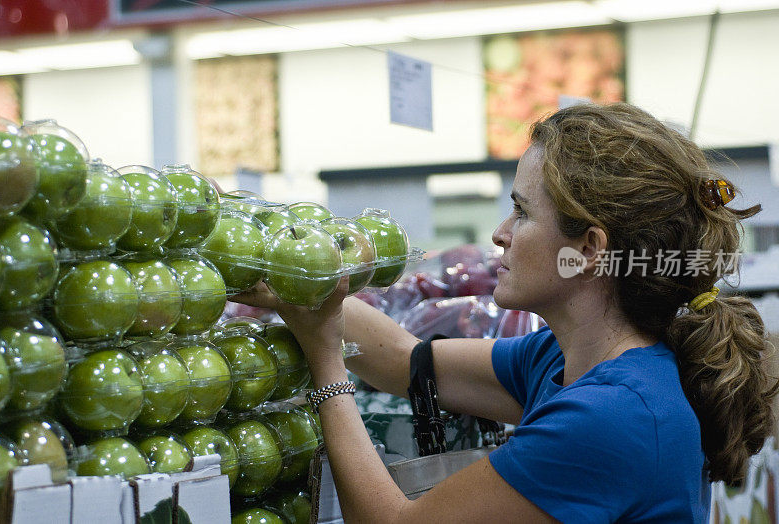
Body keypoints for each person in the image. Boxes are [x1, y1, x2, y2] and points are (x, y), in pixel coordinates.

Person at [233, 102, 778, 523]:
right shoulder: (565, 360)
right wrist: (305, 282)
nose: (500, 234)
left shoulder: (613, 417)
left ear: (588, 250)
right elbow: (404, 360)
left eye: (521, 211)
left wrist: (327, 362)